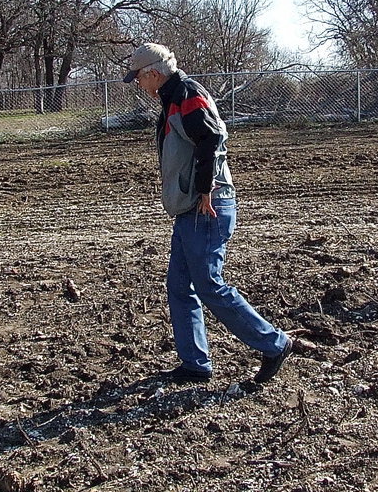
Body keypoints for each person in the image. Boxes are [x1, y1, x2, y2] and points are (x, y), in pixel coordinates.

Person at [123, 42, 293, 385]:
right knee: (179, 285)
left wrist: (204, 188)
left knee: (210, 285)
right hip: (191, 208)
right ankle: (195, 363)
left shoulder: (186, 92)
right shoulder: (172, 97)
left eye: (138, 78)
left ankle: (274, 343)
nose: (138, 84)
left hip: (207, 205)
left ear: (153, 73)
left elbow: (212, 136)